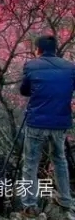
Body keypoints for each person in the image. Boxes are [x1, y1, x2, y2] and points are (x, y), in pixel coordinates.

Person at [19, 35, 75, 218]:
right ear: (55, 49)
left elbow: (24, 90)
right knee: (59, 159)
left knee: (30, 164)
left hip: (36, 122)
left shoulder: (31, 66)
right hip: (60, 122)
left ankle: (29, 205)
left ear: (38, 50)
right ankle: (66, 200)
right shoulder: (70, 68)